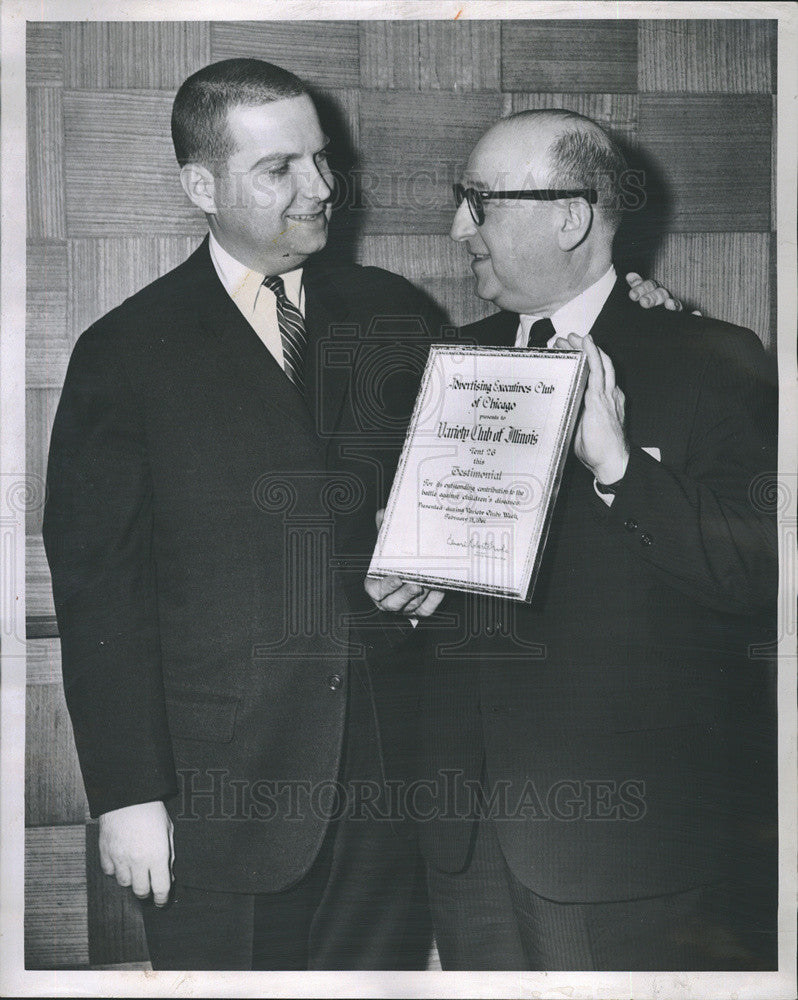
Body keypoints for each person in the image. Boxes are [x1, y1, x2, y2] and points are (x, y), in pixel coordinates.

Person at [43, 56, 678, 970]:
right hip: (219, 805)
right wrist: (128, 795)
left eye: (322, 158)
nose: (321, 188)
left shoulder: (392, 313)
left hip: (392, 792)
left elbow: (518, 388)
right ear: (201, 186)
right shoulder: (123, 353)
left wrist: (636, 306)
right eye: (281, 169)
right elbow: (98, 590)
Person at [367, 109, 778, 970]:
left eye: (478, 202)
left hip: (625, 851)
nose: (455, 227)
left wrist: (624, 470)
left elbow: (757, 576)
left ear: (571, 215)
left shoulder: (714, 361)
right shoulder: (451, 363)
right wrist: (403, 591)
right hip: (466, 840)